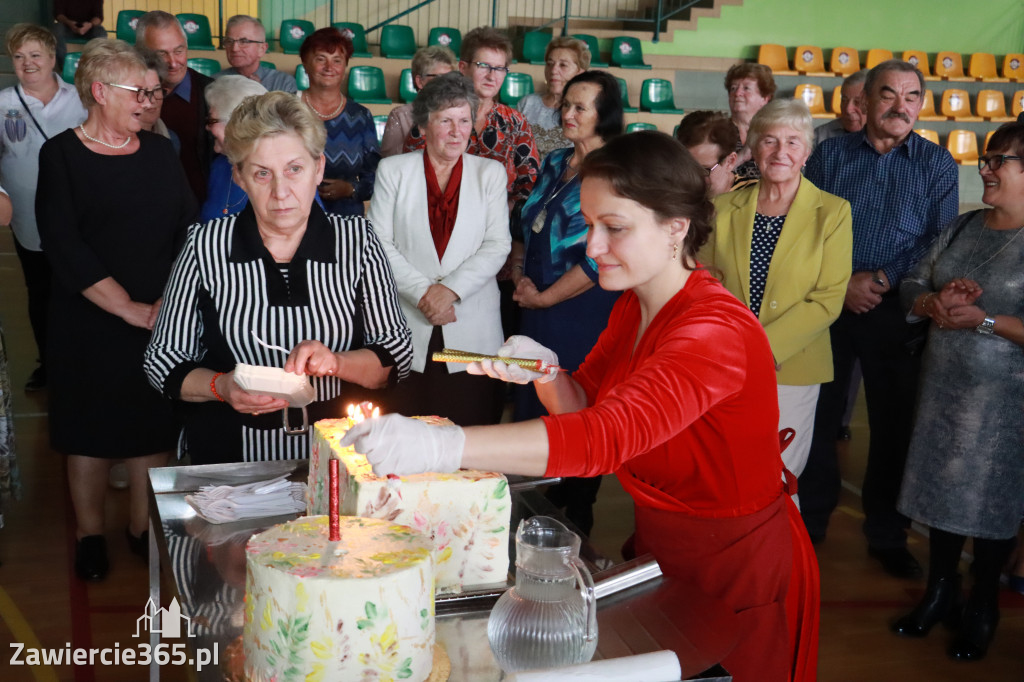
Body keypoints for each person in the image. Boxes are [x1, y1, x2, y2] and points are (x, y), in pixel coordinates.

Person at [344, 131, 820, 682]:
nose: (591, 248)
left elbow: (603, 439)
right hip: (666, 543)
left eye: (613, 228)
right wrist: (548, 375)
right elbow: (585, 405)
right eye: (590, 225)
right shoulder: (635, 305)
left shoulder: (713, 330)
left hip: (737, 561)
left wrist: (445, 445)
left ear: (676, 227)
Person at [144, 91, 412, 465]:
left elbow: (393, 356)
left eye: (294, 169)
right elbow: (163, 359)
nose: (280, 192)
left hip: (341, 460)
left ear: (318, 168)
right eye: (261, 173)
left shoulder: (358, 241)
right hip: (229, 459)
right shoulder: (204, 245)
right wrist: (221, 386)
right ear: (238, 177)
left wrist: (335, 362)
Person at [35, 39, 196, 582]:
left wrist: (170, 302)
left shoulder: (158, 152)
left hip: (159, 316)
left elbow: (185, 227)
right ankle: (89, 534)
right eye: (140, 91)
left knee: (150, 431)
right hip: (89, 319)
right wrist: (126, 307)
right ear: (99, 91)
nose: (151, 101)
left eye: (155, 92)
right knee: (88, 435)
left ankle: (139, 529)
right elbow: (64, 244)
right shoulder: (60, 155)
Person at [801, 59, 959, 578]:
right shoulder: (830, 155)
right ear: (864, 102)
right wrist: (845, 281)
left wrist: (883, 279)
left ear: (921, 104)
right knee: (820, 417)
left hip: (899, 309)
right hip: (831, 301)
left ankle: (887, 533)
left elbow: (937, 241)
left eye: (911, 97)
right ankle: (811, 521)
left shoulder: (938, 165)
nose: (900, 106)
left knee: (892, 426)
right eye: (888, 95)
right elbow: (808, 226)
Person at [891, 122, 1024, 661]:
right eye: (986, 158)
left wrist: (984, 320)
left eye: (1000, 160)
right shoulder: (965, 225)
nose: (985, 168)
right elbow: (912, 282)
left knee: (991, 502)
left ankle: (983, 604)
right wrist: (934, 303)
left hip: (1006, 402)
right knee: (940, 490)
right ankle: (940, 592)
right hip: (943, 388)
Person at [701, 99, 852, 501]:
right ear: (753, 147)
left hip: (792, 368)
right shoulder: (722, 208)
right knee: (720, 467)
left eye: (792, 141)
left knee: (777, 476)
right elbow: (703, 283)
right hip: (723, 364)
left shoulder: (833, 213)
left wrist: (759, 351)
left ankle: (778, 562)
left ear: (806, 151)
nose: (780, 152)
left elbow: (828, 298)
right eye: (769, 141)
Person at [510, 70, 623, 535]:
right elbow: (526, 223)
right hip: (533, 302)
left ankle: (573, 524)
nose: (568, 114)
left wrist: (545, 297)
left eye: (581, 107)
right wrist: (520, 277)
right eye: (566, 105)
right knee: (529, 404)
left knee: (575, 415)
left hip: (580, 312)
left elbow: (604, 258)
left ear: (605, 116)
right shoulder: (556, 160)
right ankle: (531, 515)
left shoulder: (618, 172)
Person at [367, 73, 509, 426]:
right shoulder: (393, 170)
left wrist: (449, 291)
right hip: (408, 324)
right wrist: (424, 293)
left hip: (472, 327)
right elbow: (377, 242)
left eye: (464, 120)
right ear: (424, 124)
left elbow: (497, 244)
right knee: (404, 434)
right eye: (445, 120)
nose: (455, 131)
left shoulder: (489, 173)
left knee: (469, 435)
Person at [0, 24, 87, 392]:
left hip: (81, 219)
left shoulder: (82, 100)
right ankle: (49, 363)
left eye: (35, 55)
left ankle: (84, 363)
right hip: (28, 221)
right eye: (19, 57)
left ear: (53, 58)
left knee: (83, 290)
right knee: (40, 293)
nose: (28, 63)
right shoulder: (2, 104)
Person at [405, 26, 540, 210]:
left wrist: (501, 214)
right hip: (436, 219)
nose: (492, 76)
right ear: (463, 67)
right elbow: (412, 174)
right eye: (483, 66)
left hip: (501, 223)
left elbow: (530, 182)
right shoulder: (433, 115)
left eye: (499, 68)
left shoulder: (516, 122)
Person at [298, 27, 380, 217]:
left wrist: (351, 189)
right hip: (294, 217)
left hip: (346, 222)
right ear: (305, 63)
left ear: (344, 67)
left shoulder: (360, 116)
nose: (329, 67)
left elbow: (375, 178)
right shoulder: (286, 108)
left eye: (337, 61)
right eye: (320, 59)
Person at [136, 10, 214, 203]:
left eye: (179, 51)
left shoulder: (211, 93)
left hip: (201, 211)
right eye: (161, 53)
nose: (173, 63)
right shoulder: (129, 95)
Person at [198, 75, 267, 222]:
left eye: (211, 120)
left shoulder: (280, 176)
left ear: (236, 125)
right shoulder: (221, 165)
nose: (207, 127)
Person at [516, 36, 589, 158]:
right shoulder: (527, 103)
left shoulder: (585, 111)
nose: (553, 70)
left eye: (563, 65)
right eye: (550, 64)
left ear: (580, 72)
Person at [380, 46, 456, 158]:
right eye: (439, 78)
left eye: (450, 78)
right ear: (420, 81)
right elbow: (390, 162)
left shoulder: (458, 115)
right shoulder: (400, 116)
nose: (446, 84)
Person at [214, 15, 297, 94]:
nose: (234, 49)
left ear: (262, 49)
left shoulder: (283, 83)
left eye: (244, 42)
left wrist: (260, 92)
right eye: (229, 41)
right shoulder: (215, 82)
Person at [724, 63, 775, 185]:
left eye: (746, 88)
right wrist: (741, 157)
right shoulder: (717, 131)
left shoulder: (773, 133)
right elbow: (709, 174)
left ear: (765, 98)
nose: (737, 93)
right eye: (733, 88)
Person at [674, 110, 740, 197]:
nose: (691, 178)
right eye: (685, 167)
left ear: (730, 162)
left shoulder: (753, 200)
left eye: (704, 170)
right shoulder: (672, 190)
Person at [135, 47, 178, 150]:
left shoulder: (172, 139)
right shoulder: (117, 143)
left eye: (157, 90)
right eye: (144, 92)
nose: (152, 100)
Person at [813, 69, 867, 146]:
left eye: (857, 102)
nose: (848, 109)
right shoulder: (820, 136)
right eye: (844, 100)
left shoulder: (885, 141)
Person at [51, 0, 106, 69]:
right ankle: (64, 67)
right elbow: (59, 15)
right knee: (57, 29)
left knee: (101, 32)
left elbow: (99, 17)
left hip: (89, 28)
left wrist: (89, 25)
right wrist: (69, 23)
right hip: (68, 27)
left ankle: (98, 66)